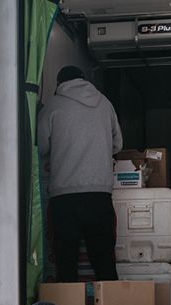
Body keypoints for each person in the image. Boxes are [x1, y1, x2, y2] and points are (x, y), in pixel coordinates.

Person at [38, 65, 123, 282]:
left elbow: (42, 147)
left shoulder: (53, 105)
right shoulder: (105, 103)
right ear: (85, 80)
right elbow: (118, 145)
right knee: (104, 261)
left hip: (65, 198)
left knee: (66, 264)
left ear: (59, 84)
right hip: (100, 195)